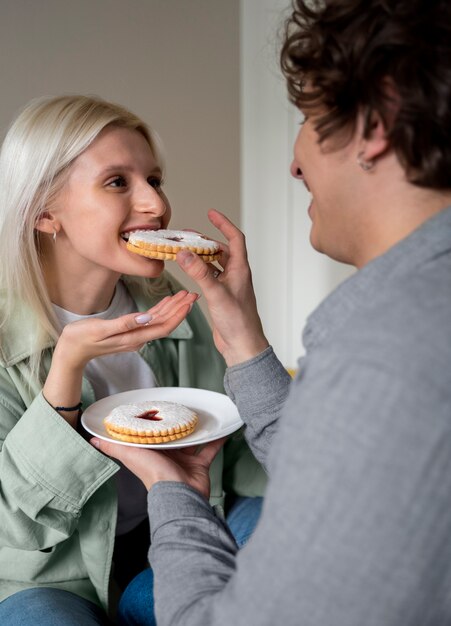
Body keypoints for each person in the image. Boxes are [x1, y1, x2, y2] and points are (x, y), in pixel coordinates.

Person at [91, 0, 451, 625]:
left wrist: (173, 493)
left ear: (372, 127)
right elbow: (344, 473)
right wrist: (244, 340)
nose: (293, 161)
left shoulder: (384, 356)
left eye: (308, 118)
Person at [0, 95, 266, 625]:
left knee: (303, 527)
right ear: (44, 212)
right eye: (118, 182)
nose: (155, 204)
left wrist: (246, 329)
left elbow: (247, 460)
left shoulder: (180, 308)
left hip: (188, 520)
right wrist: (66, 374)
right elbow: (14, 528)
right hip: (50, 569)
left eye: (156, 179)